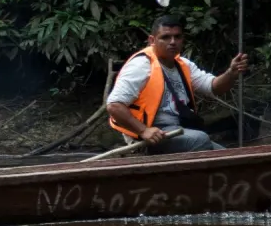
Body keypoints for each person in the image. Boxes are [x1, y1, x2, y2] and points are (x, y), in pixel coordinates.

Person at [106, 15, 249, 154]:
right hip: (149, 136)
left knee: (228, 155)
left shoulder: (183, 65)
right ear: (152, 40)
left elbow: (213, 88)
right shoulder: (141, 66)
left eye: (177, 37)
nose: (173, 42)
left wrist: (231, 73)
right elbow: (114, 105)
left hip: (177, 130)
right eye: (166, 37)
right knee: (200, 139)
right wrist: (143, 130)